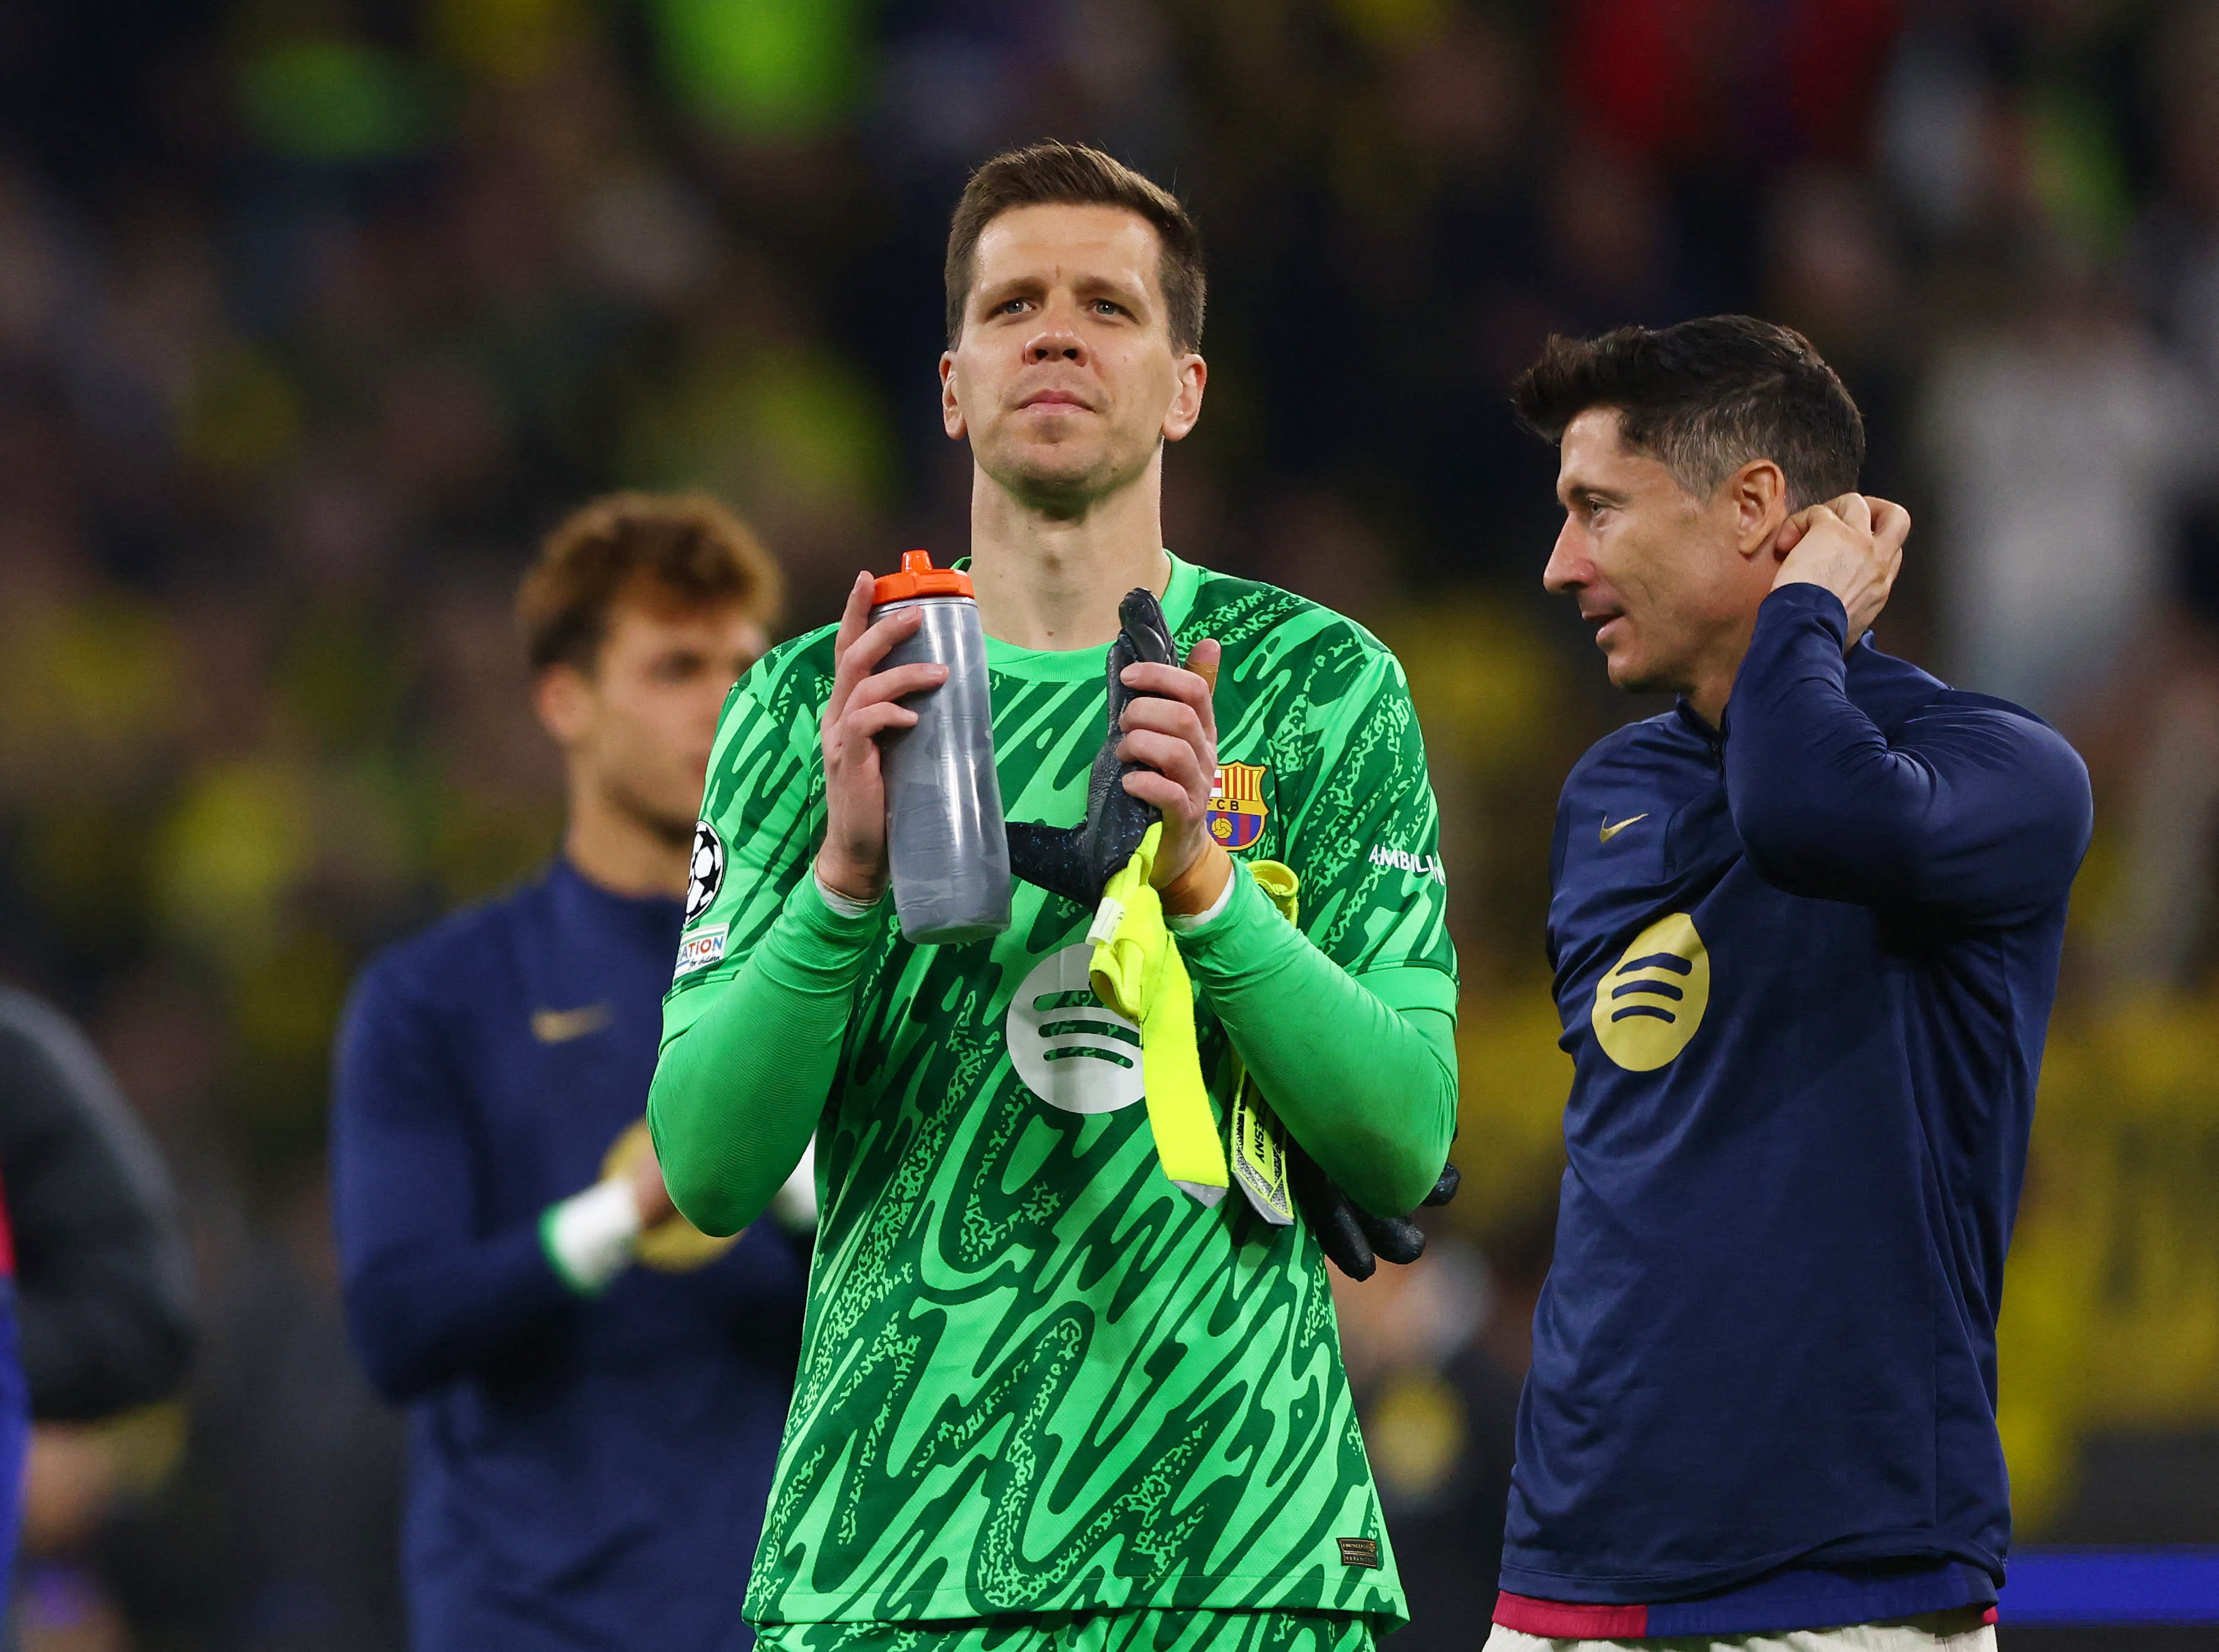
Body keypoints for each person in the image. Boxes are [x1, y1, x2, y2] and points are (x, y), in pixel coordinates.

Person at [649, 142, 1459, 1652]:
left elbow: (1405, 1140)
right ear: (953, 385)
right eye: (1013, 305)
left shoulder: (1323, 686)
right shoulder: (811, 706)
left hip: (1244, 1553)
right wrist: (842, 879)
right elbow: (706, 1169)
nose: (1057, 336)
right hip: (893, 1562)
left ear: (1184, 388)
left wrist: (1207, 887)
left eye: (1108, 306)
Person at [1491, 316, 2093, 1648]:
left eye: (1599, 509)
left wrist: (1807, 610)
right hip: (1572, 1567)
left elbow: (1806, 813)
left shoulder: (2000, 771)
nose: (1560, 563)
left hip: (1852, 1576)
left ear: (1758, 505)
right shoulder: (1609, 792)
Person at [331, 492, 809, 1652]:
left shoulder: (832, 978)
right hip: (525, 1620)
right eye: (677, 667)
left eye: (746, 667)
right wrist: (624, 1214)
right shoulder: (437, 999)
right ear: (565, 701)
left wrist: (794, 1189)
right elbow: (398, 1325)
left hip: (787, 1618)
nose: (726, 703)